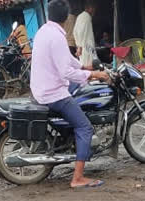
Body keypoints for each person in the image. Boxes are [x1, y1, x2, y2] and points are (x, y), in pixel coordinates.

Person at [31, 0, 111, 189]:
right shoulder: (57, 37)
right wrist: (94, 74)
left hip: (41, 89)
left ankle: (70, 140)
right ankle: (78, 178)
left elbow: (65, 59)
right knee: (85, 127)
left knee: (80, 90)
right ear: (67, 17)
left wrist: (84, 67)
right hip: (53, 94)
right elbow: (65, 72)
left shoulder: (44, 31)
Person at [74, 0, 97, 67]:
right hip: (87, 46)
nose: (94, 11)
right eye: (94, 8)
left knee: (85, 64)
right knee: (89, 65)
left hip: (83, 47)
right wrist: (80, 47)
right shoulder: (86, 17)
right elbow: (82, 33)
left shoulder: (80, 16)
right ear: (90, 8)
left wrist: (78, 45)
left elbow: (75, 32)